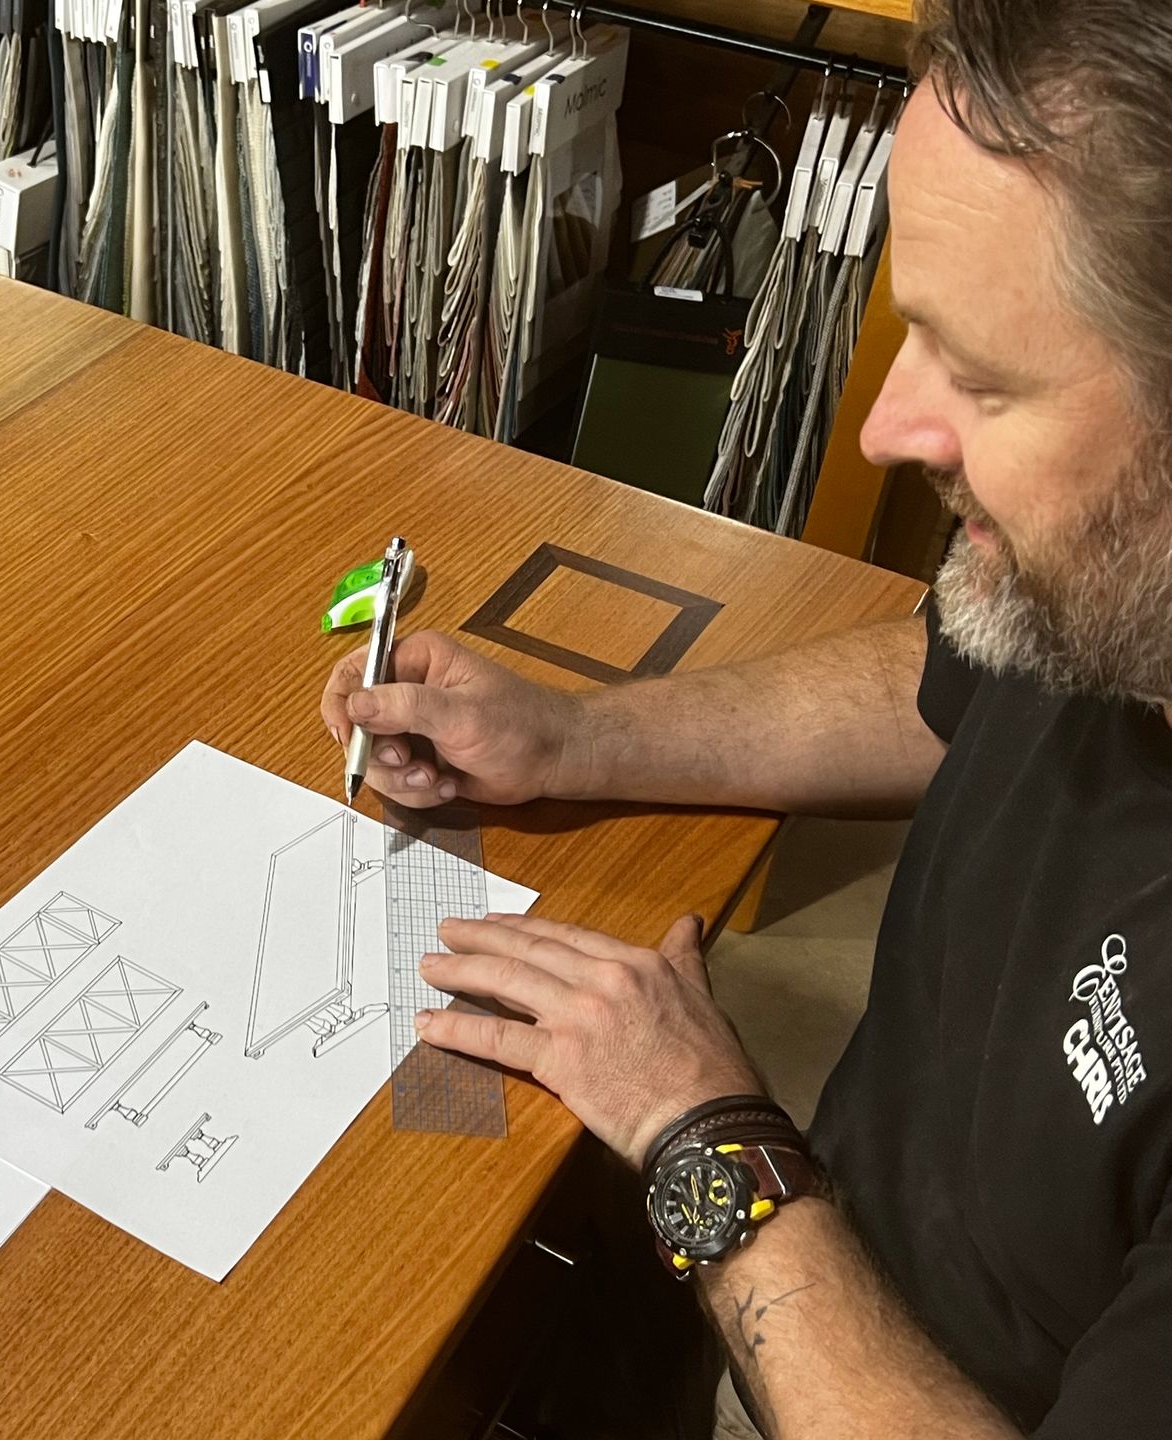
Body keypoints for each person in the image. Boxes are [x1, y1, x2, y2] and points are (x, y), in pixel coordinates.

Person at [320, 3, 1172, 1436]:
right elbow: (944, 681)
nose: (885, 428)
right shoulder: (1104, 589)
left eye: (982, 377)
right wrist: (577, 739)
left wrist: (705, 1138)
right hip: (849, 1253)